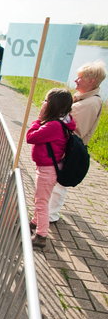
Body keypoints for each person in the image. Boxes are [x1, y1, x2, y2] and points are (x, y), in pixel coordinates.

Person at [49, 61, 106, 222]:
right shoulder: (85, 99)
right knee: (57, 182)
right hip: (68, 146)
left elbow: (73, 128)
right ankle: (50, 211)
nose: (76, 80)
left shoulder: (89, 103)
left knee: (59, 184)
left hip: (69, 148)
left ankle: (51, 214)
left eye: (80, 78)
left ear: (91, 81)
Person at [26, 88, 76, 248]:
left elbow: (30, 137)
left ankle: (41, 235)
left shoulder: (53, 125)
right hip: (50, 167)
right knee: (40, 198)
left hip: (47, 169)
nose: (43, 103)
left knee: (41, 201)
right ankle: (35, 222)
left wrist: (38, 119)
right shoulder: (63, 121)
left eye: (46, 101)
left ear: (53, 106)